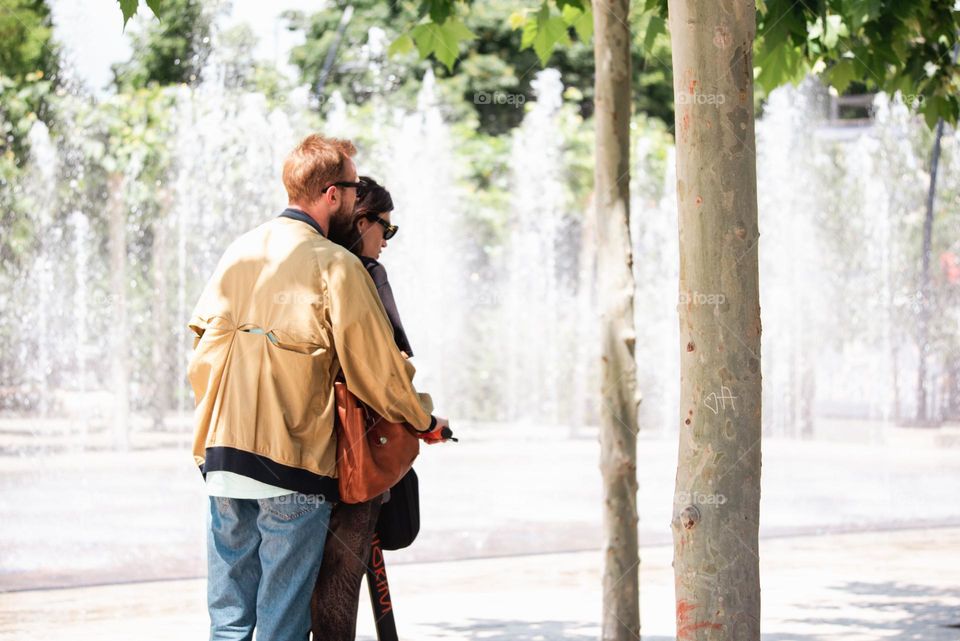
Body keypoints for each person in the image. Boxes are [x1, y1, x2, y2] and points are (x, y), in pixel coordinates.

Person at [187, 134, 448, 641]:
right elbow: (379, 373)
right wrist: (423, 419)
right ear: (332, 194)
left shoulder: (240, 250)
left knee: (229, 622)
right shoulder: (336, 266)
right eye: (352, 189)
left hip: (221, 458)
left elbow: (202, 350)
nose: (356, 199)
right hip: (293, 463)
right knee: (282, 625)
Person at [310, 176, 429, 639]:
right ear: (362, 221)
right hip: (353, 455)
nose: (387, 241)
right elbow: (388, 370)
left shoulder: (303, 263)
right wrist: (426, 418)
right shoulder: (360, 271)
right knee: (342, 577)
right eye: (386, 229)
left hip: (294, 456)